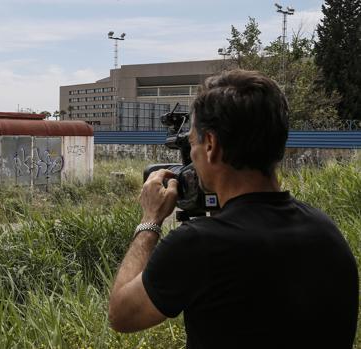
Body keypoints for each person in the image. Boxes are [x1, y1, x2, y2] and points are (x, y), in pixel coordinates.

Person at [107, 70, 359, 348]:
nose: (191, 155)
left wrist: (151, 219)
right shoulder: (327, 234)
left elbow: (121, 314)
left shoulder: (199, 245)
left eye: (192, 142)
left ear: (211, 145)